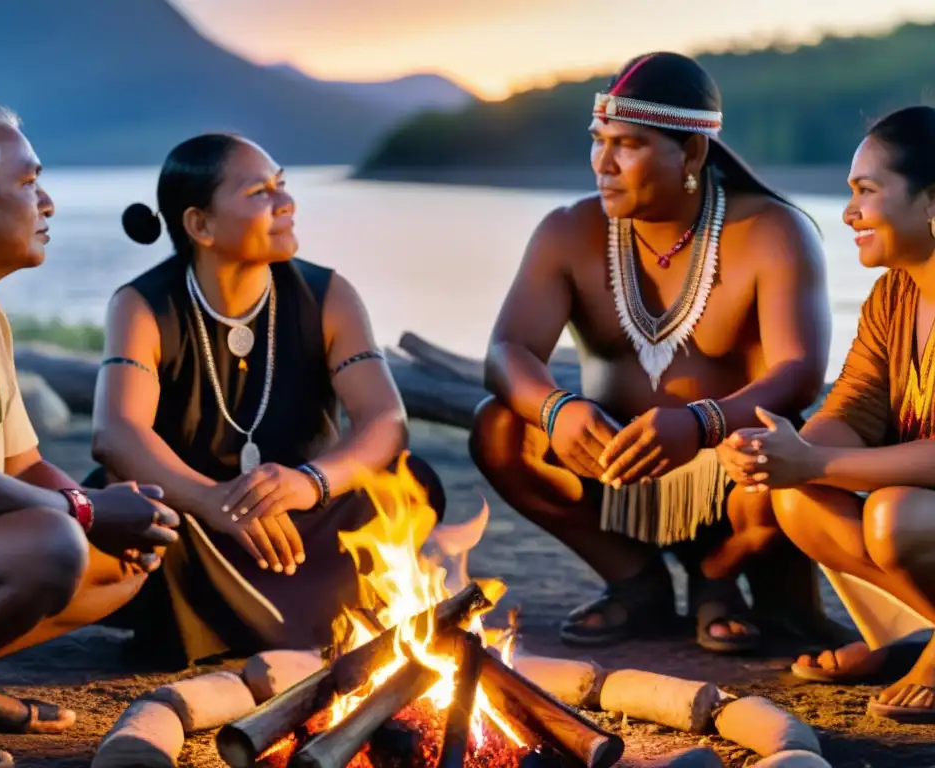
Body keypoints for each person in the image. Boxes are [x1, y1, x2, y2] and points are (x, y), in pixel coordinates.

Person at [470, 51, 832, 653]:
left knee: (785, 454)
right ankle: (636, 584)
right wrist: (557, 411)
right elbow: (507, 350)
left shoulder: (772, 231)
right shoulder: (567, 231)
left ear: (691, 153)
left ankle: (717, 580)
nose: (603, 164)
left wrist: (700, 423)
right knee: (500, 428)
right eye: (598, 140)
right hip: (611, 467)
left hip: (731, 476)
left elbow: (799, 375)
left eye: (628, 145)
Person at [87, 132, 445, 669]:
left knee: (412, 481)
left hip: (303, 515)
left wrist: (310, 482)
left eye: (282, 185)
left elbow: (384, 419)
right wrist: (213, 501)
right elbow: (115, 433)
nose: (286, 203)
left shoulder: (328, 295)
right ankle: (298, 617)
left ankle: (233, 623)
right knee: (131, 510)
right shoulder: (142, 305)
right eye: (260, 192)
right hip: (197, 519)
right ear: (200, 225)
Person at [0, 101, 180, 768]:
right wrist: (87, 510)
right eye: (29, 183)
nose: (49, 202)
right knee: (55, 542)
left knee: (121, 553)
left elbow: (24, 462)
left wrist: (116, 516)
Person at [721, 105, 935, 723]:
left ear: (931, 201)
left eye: (866, 192)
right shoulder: (894, 293)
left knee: (894, 517)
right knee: (796, 496)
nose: (848, 214)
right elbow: (852, 409)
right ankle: (909, 637)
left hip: (920, 514)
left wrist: (815, 458)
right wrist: (784, 453)